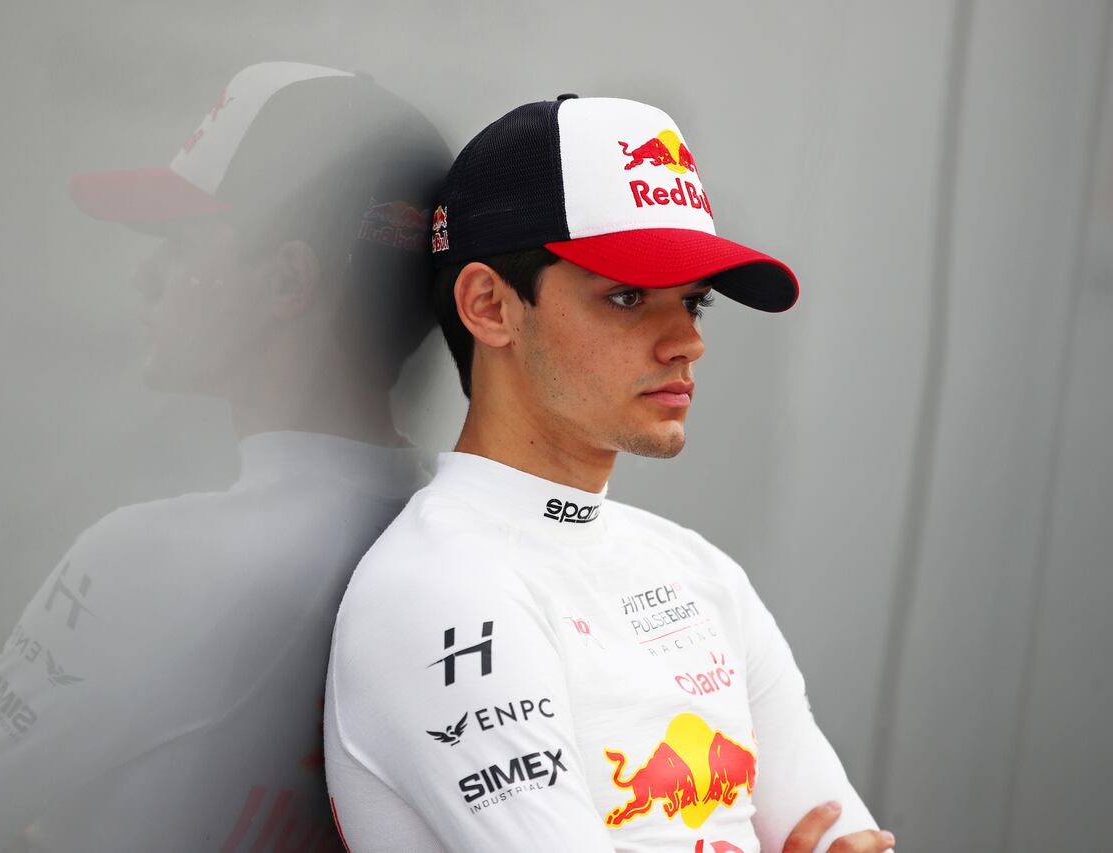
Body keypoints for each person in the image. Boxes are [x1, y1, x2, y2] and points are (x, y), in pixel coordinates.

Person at [0, 62, 447, 853]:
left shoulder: (152, 562)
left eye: (180, 240)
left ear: (286, 281)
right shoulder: (476, 542)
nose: (147, 277)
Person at [324, 94, 897, 853]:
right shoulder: (441, 590)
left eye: (695, 301)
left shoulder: (702, 574)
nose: (686, 342)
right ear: (490, 306)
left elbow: (851, 839)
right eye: (628, 296)